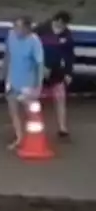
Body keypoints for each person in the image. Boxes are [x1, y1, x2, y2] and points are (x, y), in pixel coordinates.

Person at [3, 16, 45, 149]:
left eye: (19, 27)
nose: (16, 30)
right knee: (13, 111)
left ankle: (34, 138)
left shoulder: (34, 41)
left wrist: (38, 86)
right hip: (12, 80)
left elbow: (39, 64)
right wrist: (3, 72)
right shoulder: (11, 35)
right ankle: (19, 137)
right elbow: (8, 54)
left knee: (30, 112)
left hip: (27, 83)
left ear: (27, 28)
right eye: (15, 26)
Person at [36, 10, 74, 139]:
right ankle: (35, 124)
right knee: (35, 99)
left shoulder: (67, 35)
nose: (63, 27)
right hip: (39, 70)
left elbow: (69, 55)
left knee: (60, 98)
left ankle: (62, 128)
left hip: (57, 71)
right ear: (57, 20)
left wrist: (68, 73)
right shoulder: (41, 29)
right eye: (62, 24)